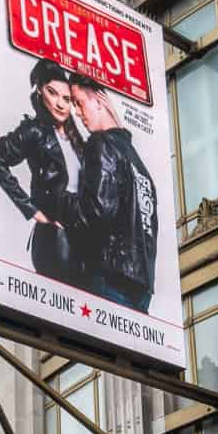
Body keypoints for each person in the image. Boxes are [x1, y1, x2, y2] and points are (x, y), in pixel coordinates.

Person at [54, 73, 160, 312]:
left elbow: (97, 212)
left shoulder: (100, 144)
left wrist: (58, 199)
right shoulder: (137, 163)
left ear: (99, 100)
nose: (78, 114)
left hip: (110, 280)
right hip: (141, 288)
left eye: (80, 103)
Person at [0, 59, 87, 285]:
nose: (60, 104)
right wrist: (33, 210)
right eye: (52, 93)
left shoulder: (78, 139)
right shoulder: (34, 131)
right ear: (40, 90)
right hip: (56, 238)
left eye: (66, 99)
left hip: (82, 234)